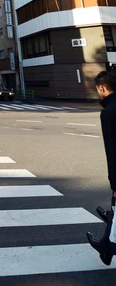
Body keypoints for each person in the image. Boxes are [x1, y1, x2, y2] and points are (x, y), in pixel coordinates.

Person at [87, 71, 116, 266]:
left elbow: (113, 151)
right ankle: (106, 245)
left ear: (102, 88)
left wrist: (115, 184)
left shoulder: (109, 112)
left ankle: (107, 247)